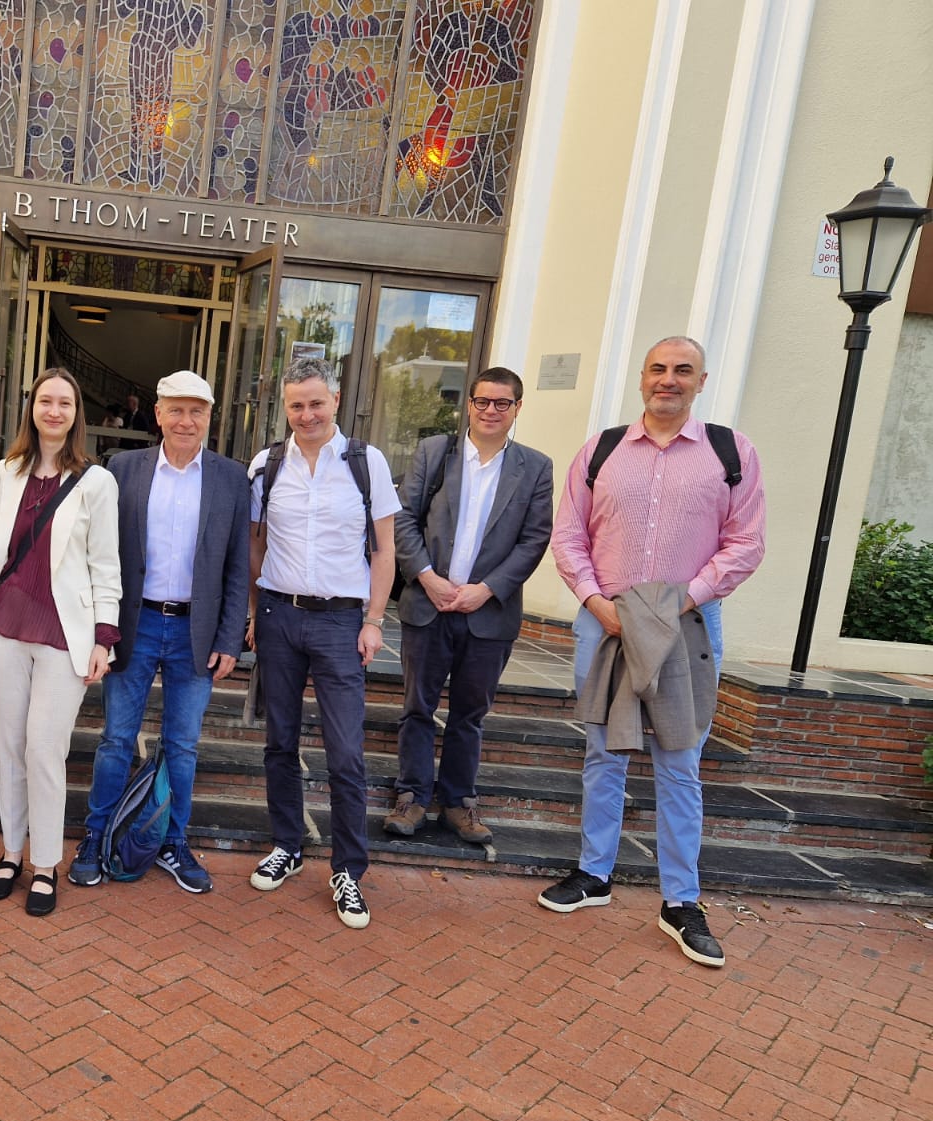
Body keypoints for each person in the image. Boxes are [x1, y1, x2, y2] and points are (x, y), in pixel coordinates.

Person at [540, 336, 765, 969]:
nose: (668, 380)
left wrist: (681, 602)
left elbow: (744, 543)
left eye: (682, 371)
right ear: (643, 378)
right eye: (658, 369)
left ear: (700, 380)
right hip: (605, 623)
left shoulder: (730, 452)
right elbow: (569, 536)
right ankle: (594, 874)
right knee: (603, 752)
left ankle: (680, 902)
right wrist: (596, 602)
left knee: (679, 760)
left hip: (687, 625)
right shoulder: (602, 450)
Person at [69, 369, 250, 893]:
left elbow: (238, 565)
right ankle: (95, 837)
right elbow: (96, 550)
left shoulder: (230, 478)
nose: (186, 420)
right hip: (135, 623)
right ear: (158, 414)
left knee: (183, 746)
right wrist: (99, 628)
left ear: (209, 417)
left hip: (196, 629)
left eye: (197, 410)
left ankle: (172, 841)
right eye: (176, 409)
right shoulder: (122, 469)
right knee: (116, 739)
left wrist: (228, 639)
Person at [0, 367, 121, 917]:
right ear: (32, 407)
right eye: (45, 401)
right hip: (5, 627)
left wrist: (105, 637)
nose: (54, 411)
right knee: (8, 746)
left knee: (45, 749)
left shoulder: (97, 482)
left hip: (63, 634)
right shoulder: (7, 471)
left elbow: (105, 564)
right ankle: (11, 853)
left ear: (77, 414)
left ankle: (46, 863)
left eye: (65, 403)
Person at [245, 357, 397, 929]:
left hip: (340, 623)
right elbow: (256, 543)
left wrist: (374, 619)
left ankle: (347, 871)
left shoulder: (366, 462)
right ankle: (287, 843)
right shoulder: (267, 464)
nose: (306, 414)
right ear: (285, 408)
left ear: (335, 400)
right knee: (280, 741)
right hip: (281, 616)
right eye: (296, 405)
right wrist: (258, 612)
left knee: (346, 752)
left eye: (316, 402)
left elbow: (385, 550)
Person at [387, 367, 553, 846]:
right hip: (429, 604)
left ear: (518, 409)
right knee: (417, 707)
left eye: (503, 403)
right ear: (469, 404)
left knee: (469, 713)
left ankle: (459, 802)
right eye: (482, 401)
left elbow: (534, 539)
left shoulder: (535, 467)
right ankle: (412, 796)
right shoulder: (435, 453)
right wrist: (427, 577)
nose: (491, 411)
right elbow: (404, 519)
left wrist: (487, 589)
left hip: (489, 614)